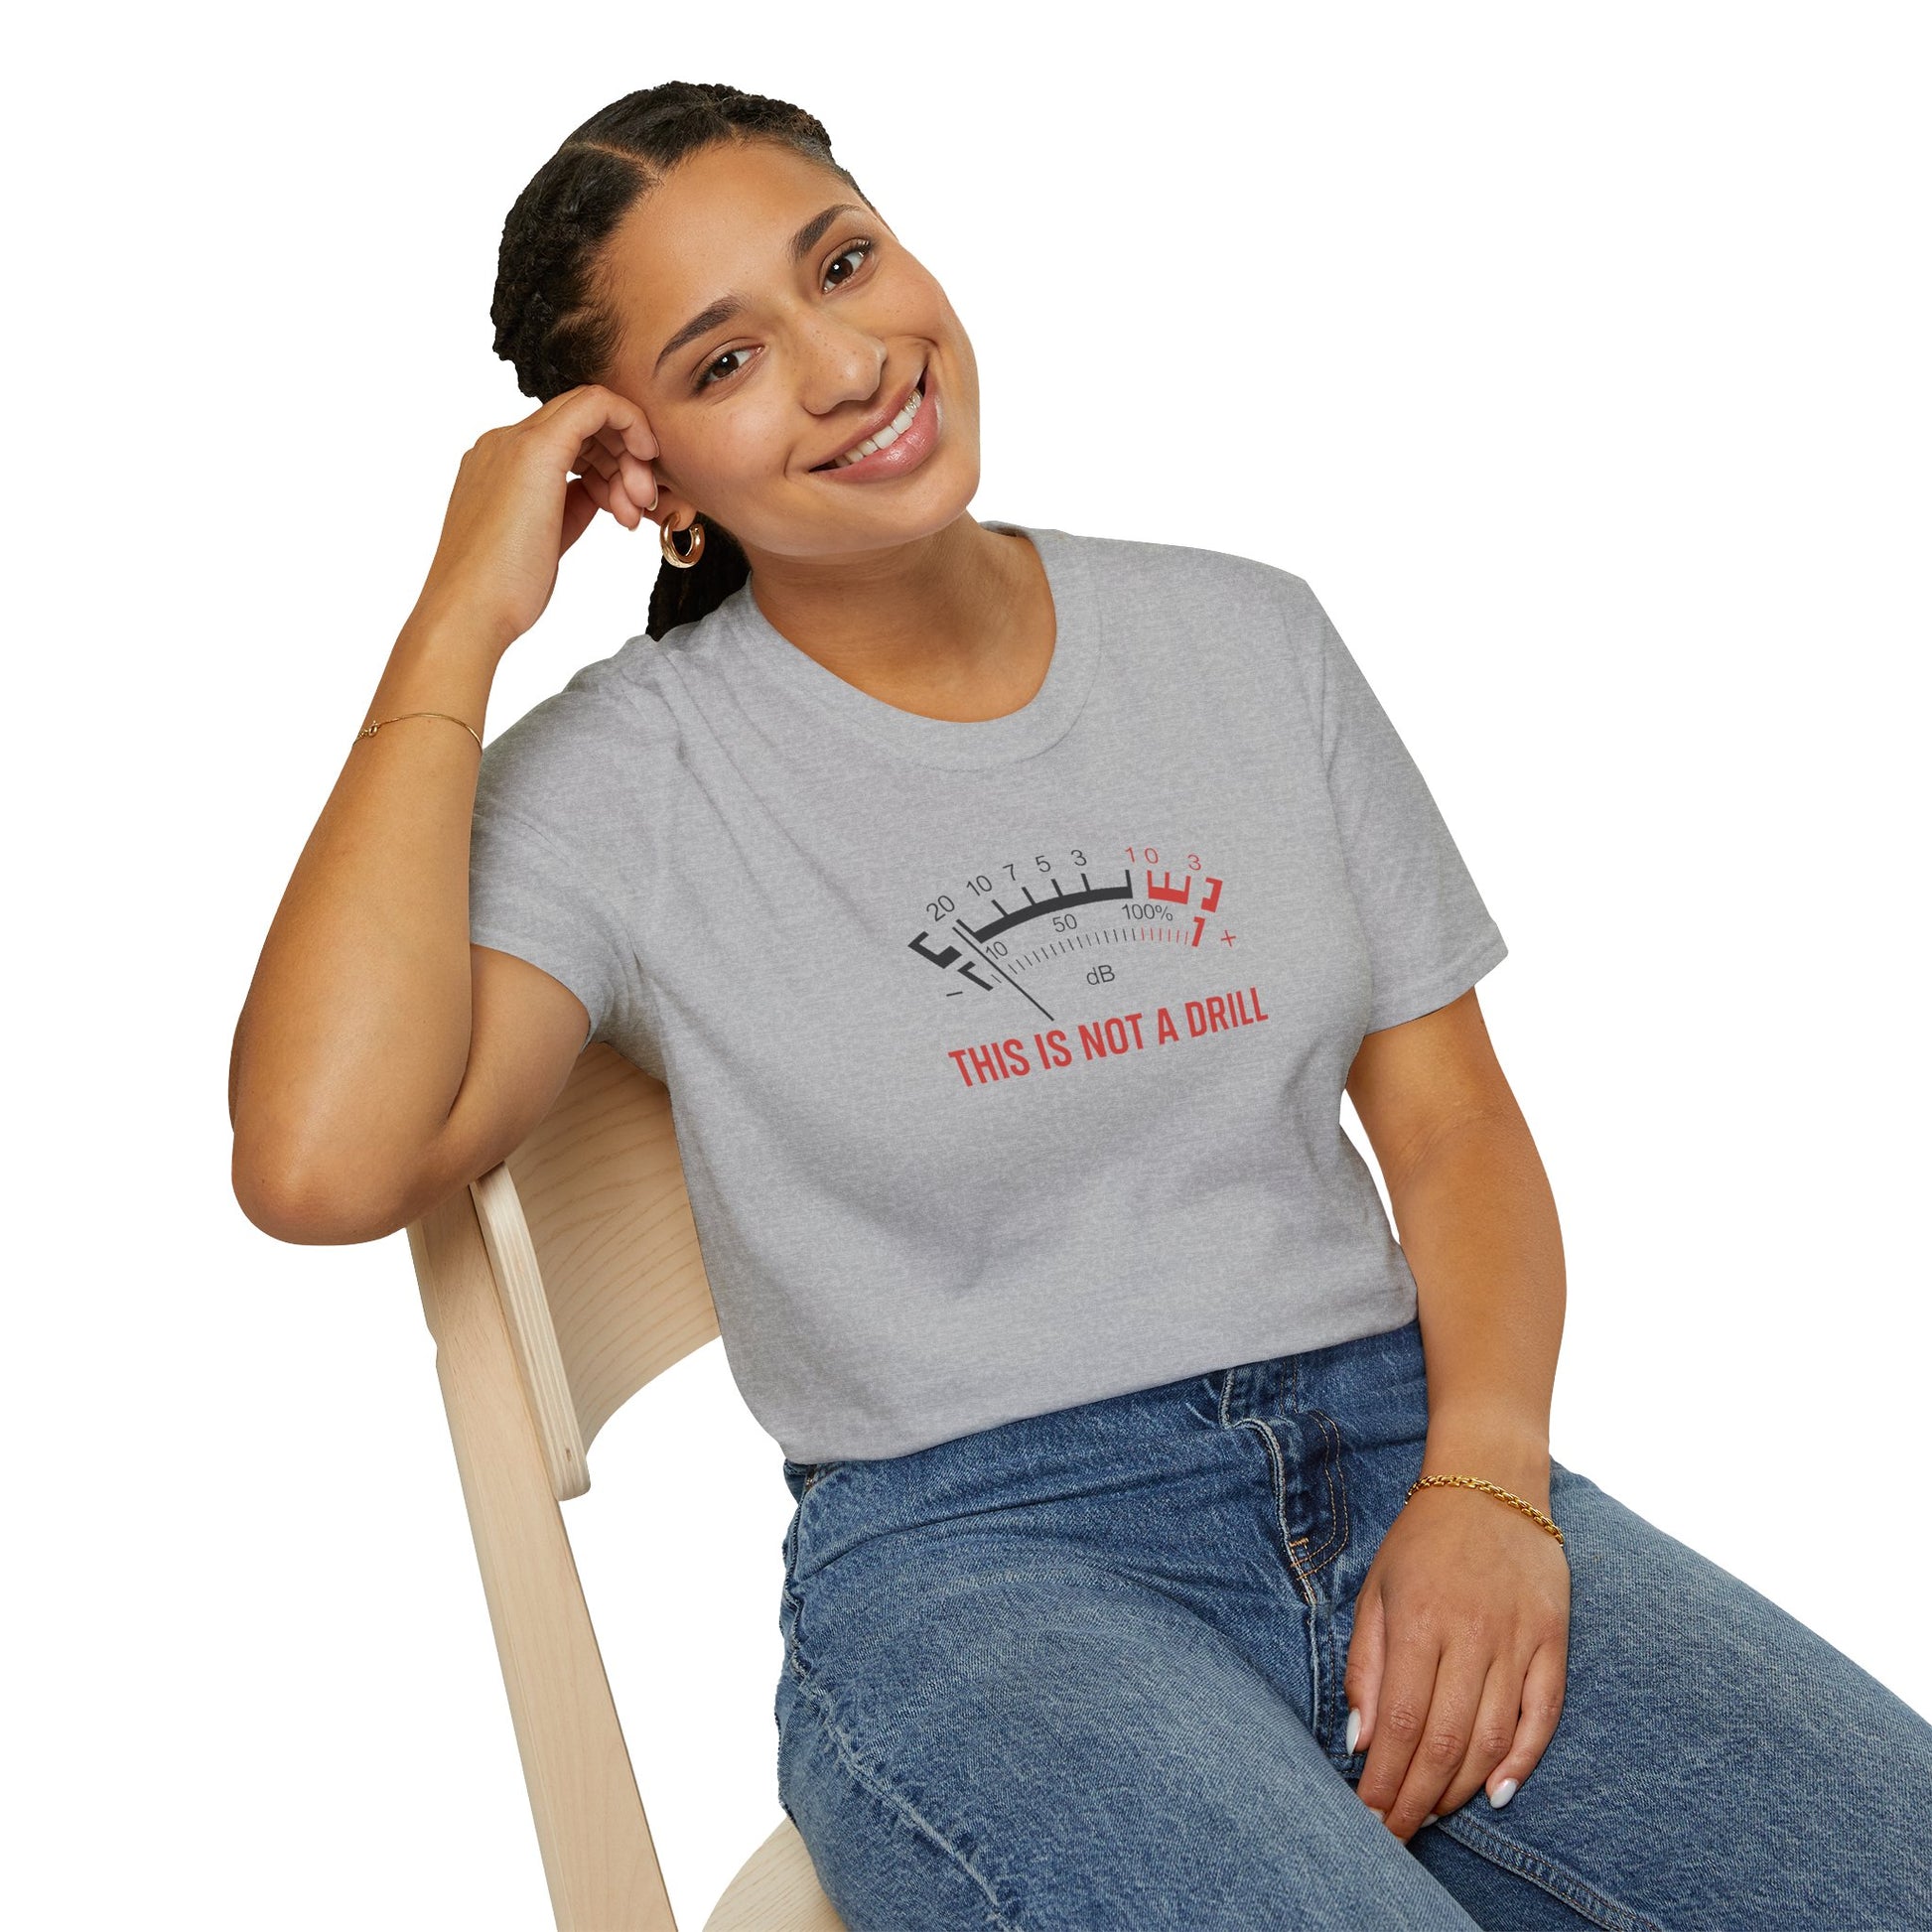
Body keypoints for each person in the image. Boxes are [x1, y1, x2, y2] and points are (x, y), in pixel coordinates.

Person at [228, 80, 1932, 1930]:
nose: (847, 365)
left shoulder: (1249, 639)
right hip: (981, 1568)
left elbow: (1451, 1129)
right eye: (726, 361)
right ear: (649, 480)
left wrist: (1489, 1484)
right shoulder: (629, 779)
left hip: (1406, 1449)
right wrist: (457, 619)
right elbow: (320, 1162)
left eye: (843, 264)